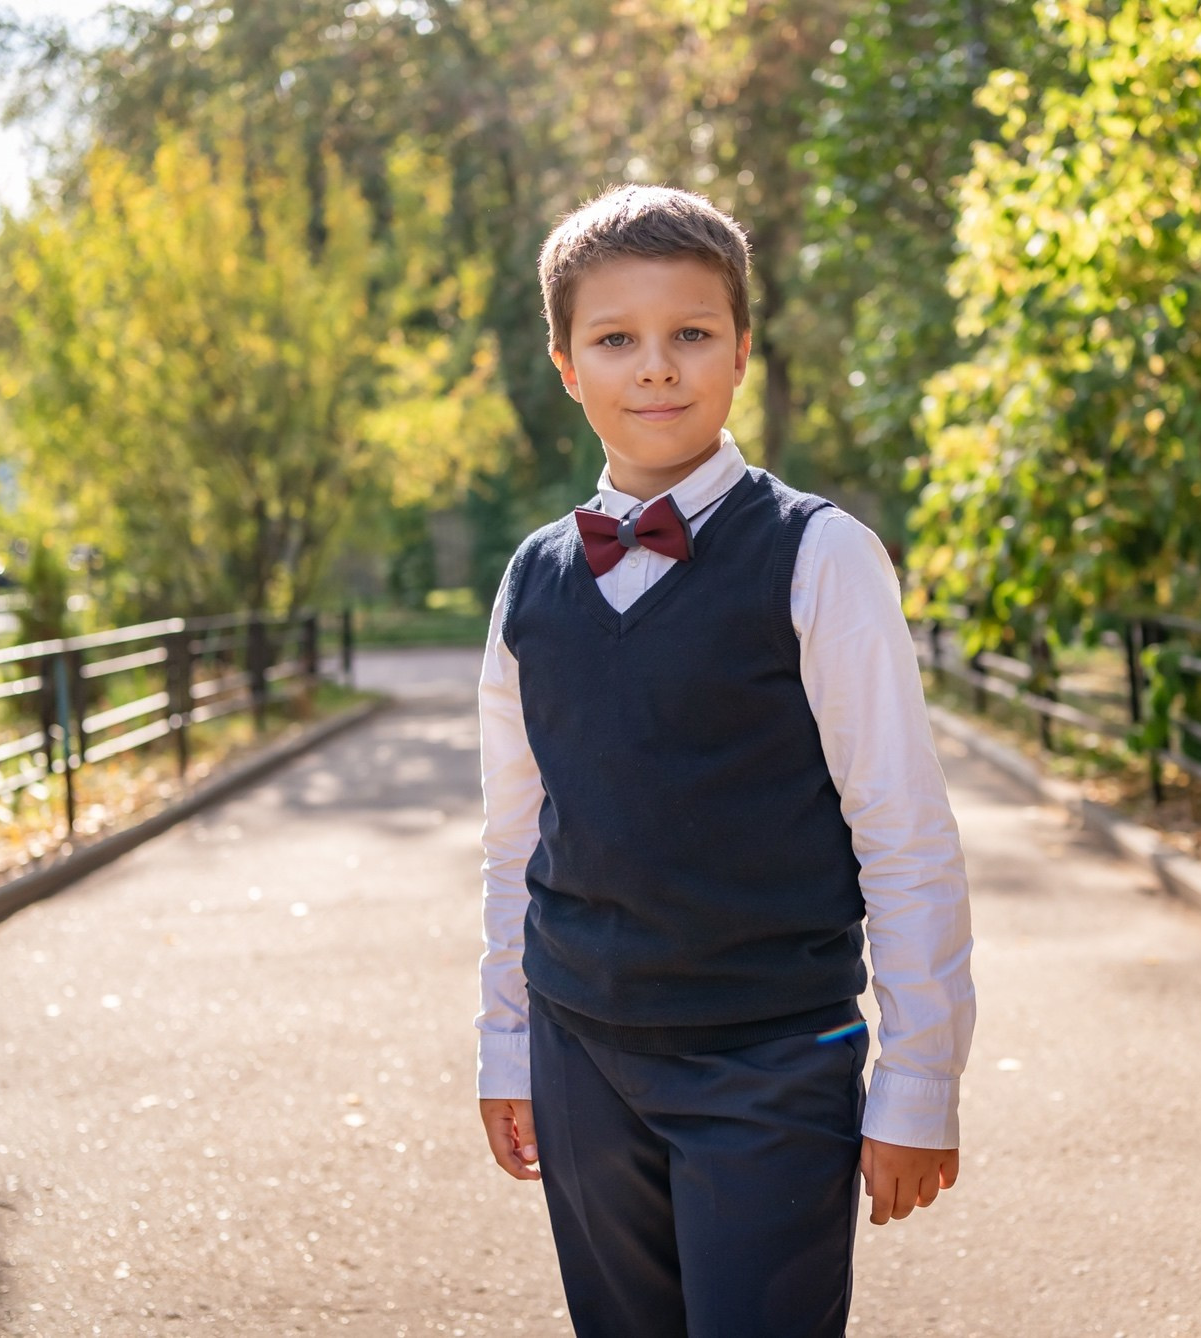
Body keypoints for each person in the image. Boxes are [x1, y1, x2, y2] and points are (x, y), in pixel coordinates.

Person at [474, 182, 975, 1338]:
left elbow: (901, 827)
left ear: (741, 351)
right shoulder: (530, 581)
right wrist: (508, 1048)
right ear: (566, 365)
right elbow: (514, 837)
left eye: (691, 334)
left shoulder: (821, 555)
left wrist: (919, 1081)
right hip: (581, 1052)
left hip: (771, 1059)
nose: (657, 368)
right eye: (617, 340)